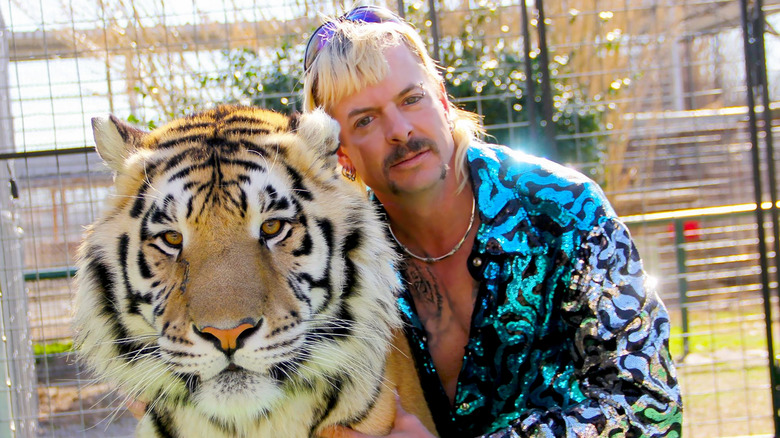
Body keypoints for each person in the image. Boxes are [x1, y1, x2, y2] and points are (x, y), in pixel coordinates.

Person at [302, 6, 682, 438]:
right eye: (365, 120)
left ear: (442, 101)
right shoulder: (340, 268)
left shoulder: (565, 208)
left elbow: (649, 403)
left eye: (412, 99)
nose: (401, 130)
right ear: (342, 154)